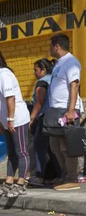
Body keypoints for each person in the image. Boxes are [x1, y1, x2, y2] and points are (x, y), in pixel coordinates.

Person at [0, 48, 31, 198]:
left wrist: (10, 119)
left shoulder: (5, 76)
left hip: (17, 119)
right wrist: (2, 121)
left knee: (21, 151)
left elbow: (11, 98)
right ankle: (9, 181)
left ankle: (21, 183)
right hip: (7, 121)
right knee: (11, 153)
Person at [46, 33, 82, 191]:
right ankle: (64, 176)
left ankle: (72, 178)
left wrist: (71, 110)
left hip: (67, 110)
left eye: (50, 46)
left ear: (57, 46)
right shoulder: (59, 63)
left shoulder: (71, 62)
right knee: (54, 146)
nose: (49, 49)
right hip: (56, 110)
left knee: (66, 146)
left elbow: (74, 85)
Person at [29, 58, 61, 185]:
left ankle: (39, 175)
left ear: (43, 70)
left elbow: (39, 102)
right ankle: (59, 174)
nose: (34, 73)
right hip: (54, 117)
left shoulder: (42, 82)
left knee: (39, 148)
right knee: (52, 149)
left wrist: (32, 118)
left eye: (36, 70)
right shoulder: (53, 79)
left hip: (43, 118)